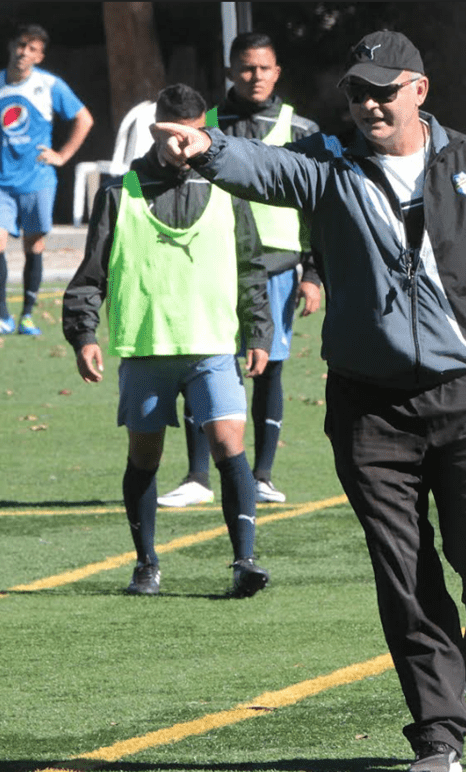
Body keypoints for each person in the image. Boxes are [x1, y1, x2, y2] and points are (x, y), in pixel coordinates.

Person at [152, 30, 466, 772]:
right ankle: (438, 733)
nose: (370, 103)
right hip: (371, 411)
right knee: (406, 576)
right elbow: (261, 167)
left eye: (385, 89)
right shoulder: (325, 165)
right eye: (356, 91)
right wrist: (205, 149)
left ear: (420, 90)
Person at [62, 84, 274, 598]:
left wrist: (258, 330)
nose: (180, 143)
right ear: (155, 128)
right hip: (146, 347)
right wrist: (83, 333)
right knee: (145, 458)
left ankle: (245, 560)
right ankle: (146, 563)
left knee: (228, 445)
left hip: (211, 346)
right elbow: (91, 274)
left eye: (192, 132)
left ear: (204, 129)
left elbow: (250, 266)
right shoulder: (119, 192)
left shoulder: (228, 189)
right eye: (170, 132)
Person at [157, 32, 323, 509]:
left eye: (264, 68)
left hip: (277, 267)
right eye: (246, 68)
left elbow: (317, 205)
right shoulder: (203, 126)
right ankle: (196, 476)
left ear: (277, 72)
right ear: (230, 71)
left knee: (268, 370)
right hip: (211, 268)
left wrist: (313, 274)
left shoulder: (300, 129)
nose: (255, 77)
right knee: (203, 367)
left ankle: (263, 474)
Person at [0, 23, 93, 338]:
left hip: (38, 179)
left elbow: (84, 118)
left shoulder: (50, 86)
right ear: (11, 46)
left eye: (32, 49)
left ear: (40, 56)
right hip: (2, 181)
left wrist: (62, 155)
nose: (24, 52)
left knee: (33, 245)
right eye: (21, 45)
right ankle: (1, 316)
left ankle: (27, 316)